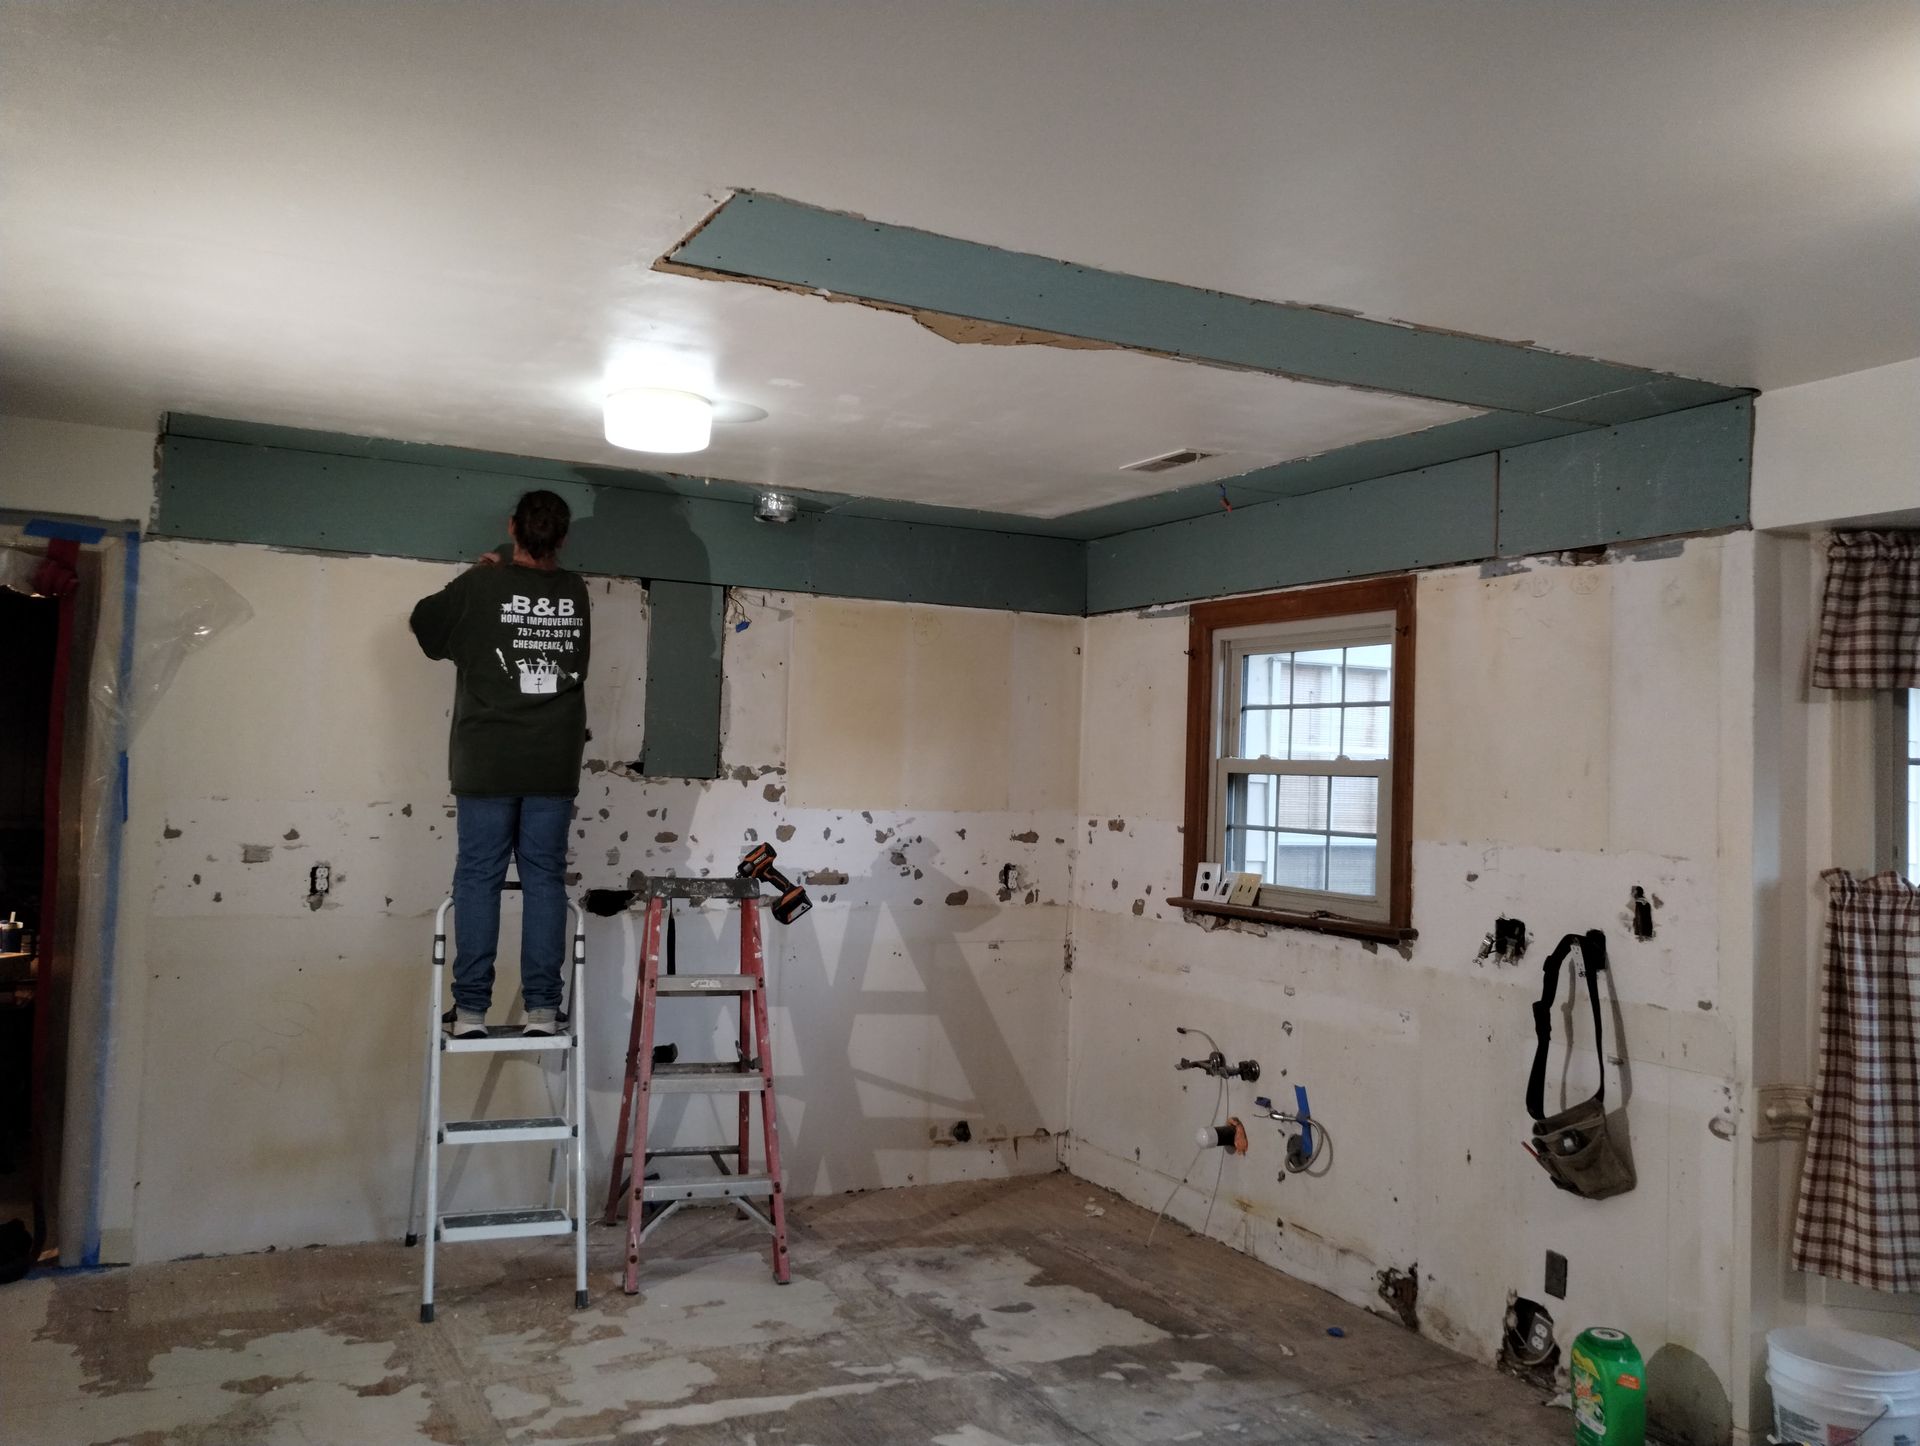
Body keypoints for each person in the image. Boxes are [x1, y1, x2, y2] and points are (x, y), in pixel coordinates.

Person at [409, 491, 591, 1037]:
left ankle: (470, 1012)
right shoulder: (576, 592)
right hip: (552, 762)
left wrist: (476, 575)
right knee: (543, 879)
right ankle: (540, 1009)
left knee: (479, 877)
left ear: (511, 527)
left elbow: (425, 625)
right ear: (562, 537)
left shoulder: (482, 584)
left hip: (486, 761)